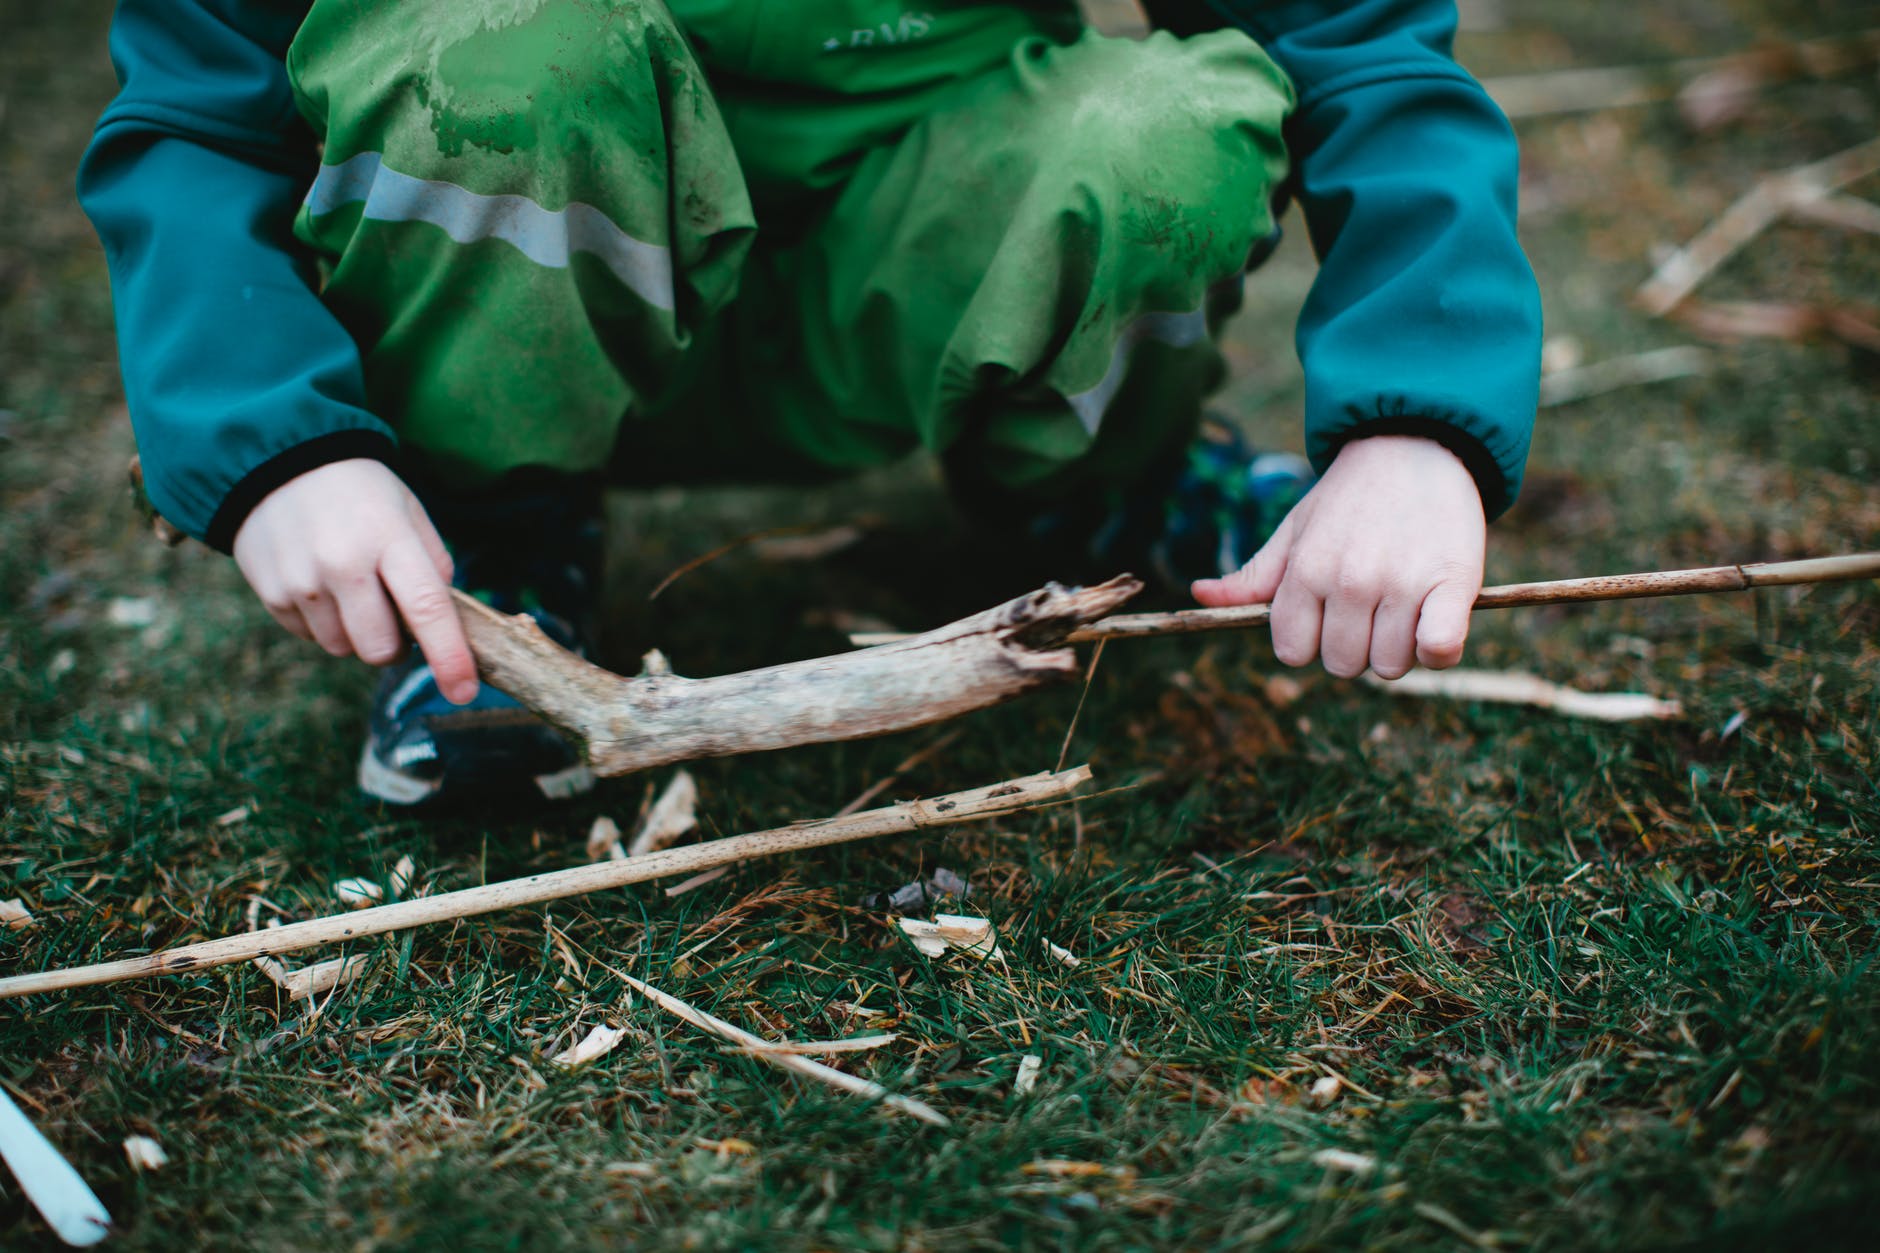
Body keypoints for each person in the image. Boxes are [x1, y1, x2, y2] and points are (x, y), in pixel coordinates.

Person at [80, 0, 1541, 805]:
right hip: (529, 293)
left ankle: (1105, 483)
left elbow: (1365, 45)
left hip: (926, 278)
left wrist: (1417, 417)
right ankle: (493, 553)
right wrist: (279, 446)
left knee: (1157, 139)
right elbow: (201, 109)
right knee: (497, 57)